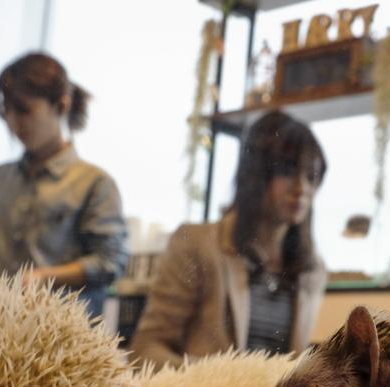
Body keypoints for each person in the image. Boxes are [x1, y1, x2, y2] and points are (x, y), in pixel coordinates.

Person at [130, 110, 328, 370]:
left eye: (311, 177)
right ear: (256, 174)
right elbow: (146, 349)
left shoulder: (312, 269)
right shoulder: (196, 245)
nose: (302, 189)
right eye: (289, 171)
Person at [0, 52, 128, 318]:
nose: (14, 122)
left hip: (58, 338)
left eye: (24, 110)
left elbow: (110, 261)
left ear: (61, 106)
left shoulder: (95, 183)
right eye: (8, 111)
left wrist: (44, 277)